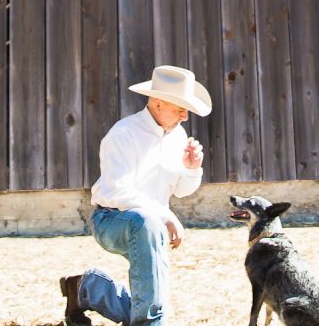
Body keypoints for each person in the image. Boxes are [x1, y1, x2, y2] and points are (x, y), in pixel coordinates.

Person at [60, 65, 213, 325]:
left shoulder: (178, 136)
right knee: (153, 306)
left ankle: (87, 288)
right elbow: (118, 190)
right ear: (158, 103)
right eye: (180, 109)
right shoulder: (123, 134)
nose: (185, 117)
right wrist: (163, 214)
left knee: (152, 302)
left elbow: (182, 190)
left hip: (152, 227)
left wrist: (191, 169)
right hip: (111, 220)